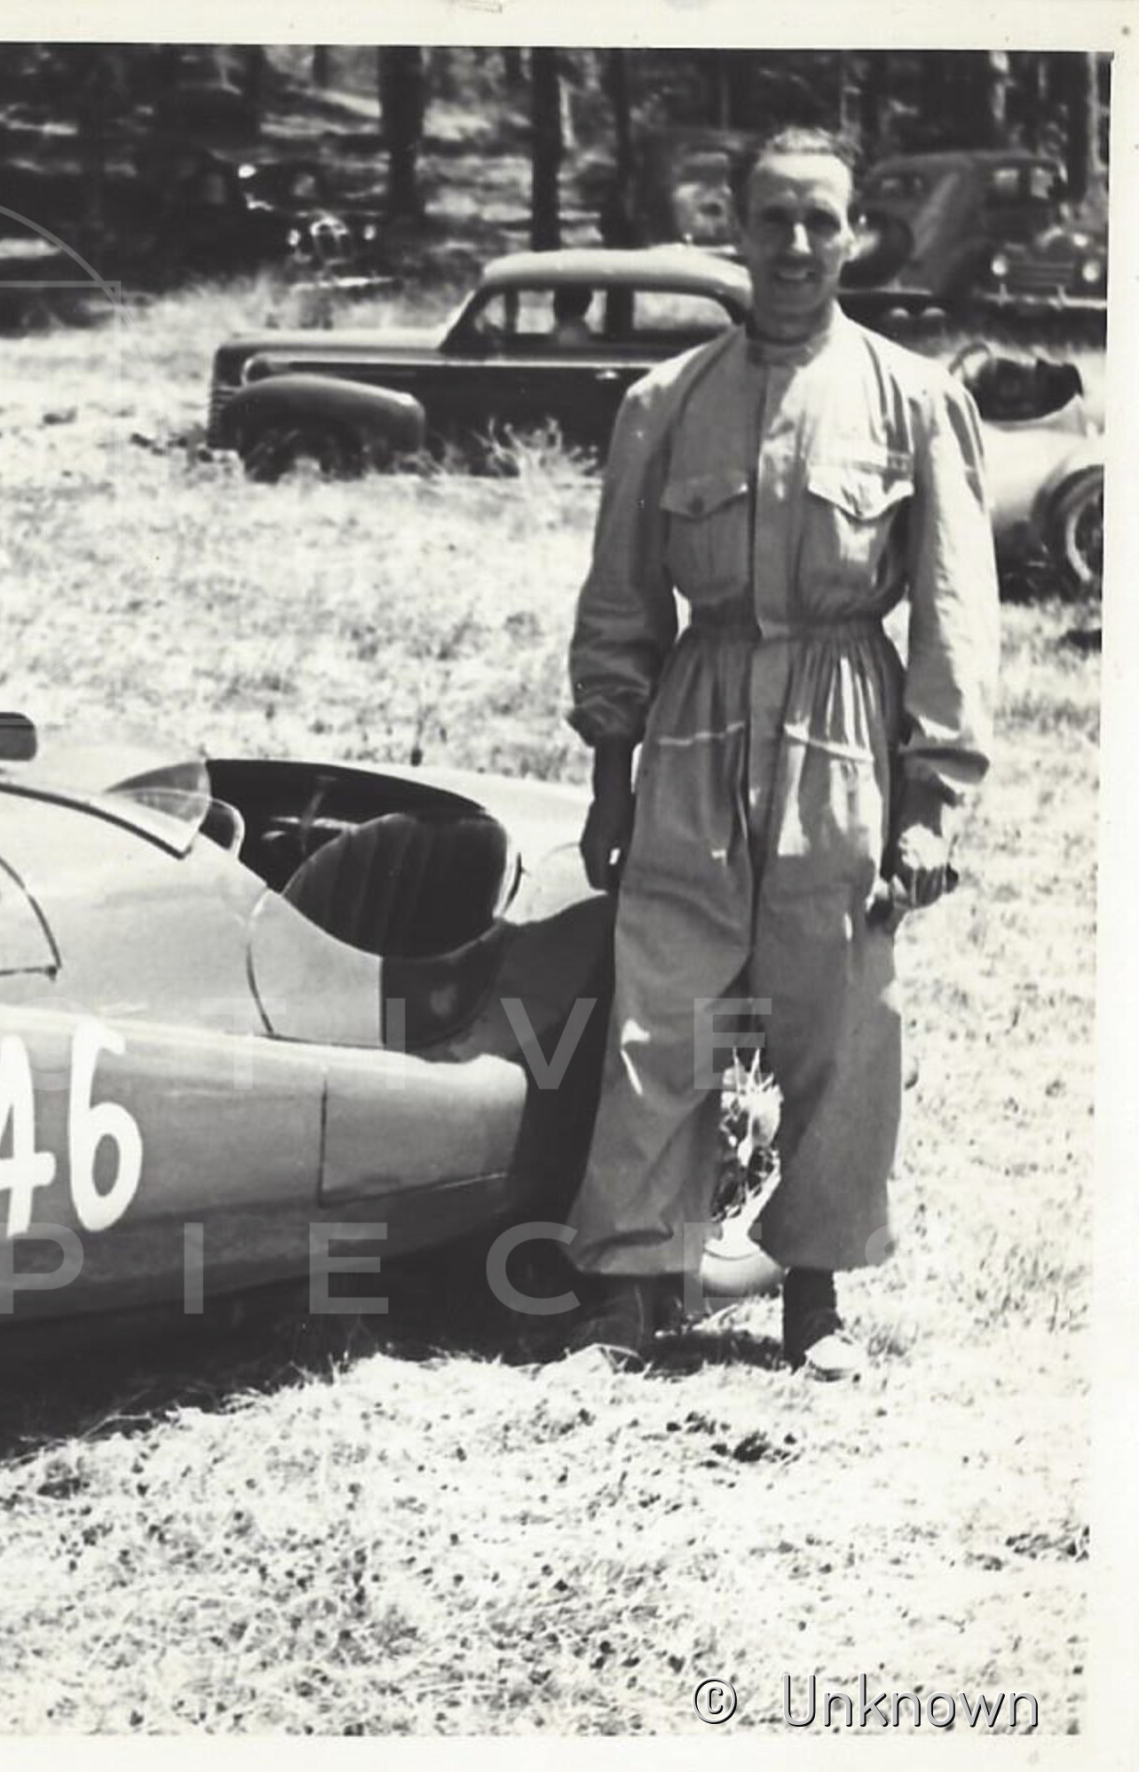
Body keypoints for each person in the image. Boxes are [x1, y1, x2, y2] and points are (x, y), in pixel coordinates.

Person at [558, 127, 999, 1377]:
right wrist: (608, 777)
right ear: (733, 228)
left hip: (842, 724)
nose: (795, 245)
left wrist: (930, 801)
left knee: (836, 1012)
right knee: (660, 1009)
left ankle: (812, 1292)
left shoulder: (915, 399)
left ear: (855, 234)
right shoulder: (662, 403)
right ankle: (629, 1289)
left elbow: (955, 616)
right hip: (693, 726)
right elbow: (619, 600)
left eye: (820, 220)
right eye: (771, 218)